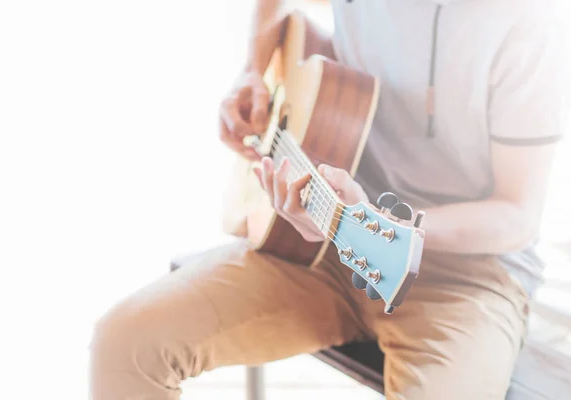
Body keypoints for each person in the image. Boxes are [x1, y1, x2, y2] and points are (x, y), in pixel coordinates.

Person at [89, 0, 569, 399]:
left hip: (465, 280)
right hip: (322, 248)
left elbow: (517, 215)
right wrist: (254, 70)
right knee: (125, 344)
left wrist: (376, 222)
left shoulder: (527, 22)